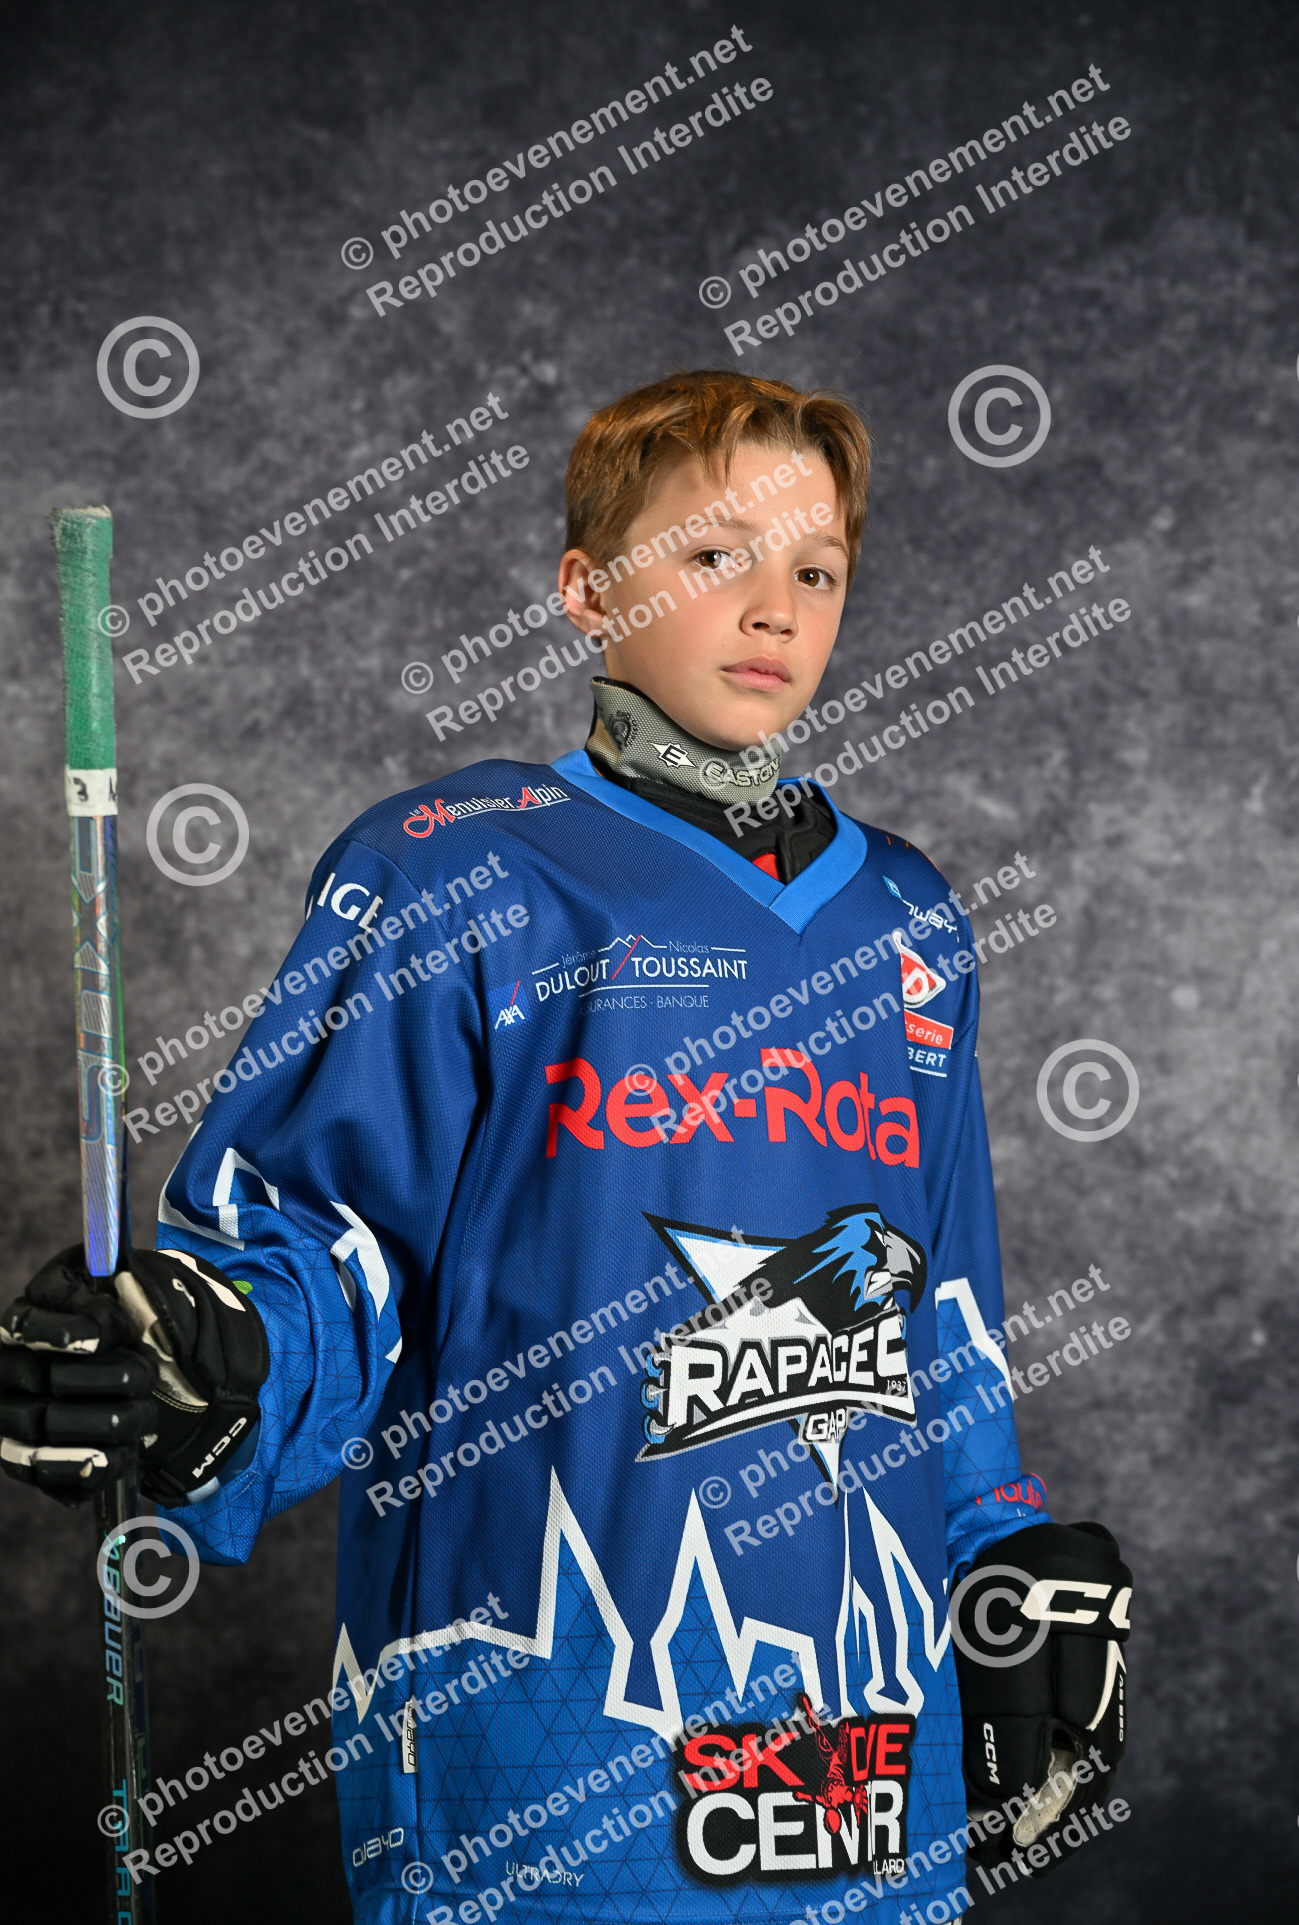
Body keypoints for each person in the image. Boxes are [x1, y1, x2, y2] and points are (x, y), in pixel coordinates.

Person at [0, 370, 1130, 1923]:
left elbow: (942, 1304)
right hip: (556, 1760)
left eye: (817, 571)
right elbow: (326, 1246)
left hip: (874, 1755)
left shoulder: (908, 916)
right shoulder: (461, 870)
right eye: (716, 556)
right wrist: (213, 1347)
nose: (776, 608)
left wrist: (998, 1549)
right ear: (589, 592)